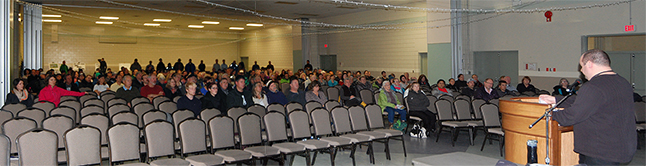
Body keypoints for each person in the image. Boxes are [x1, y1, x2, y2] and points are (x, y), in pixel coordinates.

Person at [539, 49, 636, 165]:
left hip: (599, 151)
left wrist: (547, 114)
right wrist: (556, 100)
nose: (581, 70)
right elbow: (590, 102)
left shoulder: (593, 86)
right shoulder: (622, 82)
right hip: (619, 148)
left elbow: (571, 116)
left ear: (589, 64)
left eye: (582, 66)